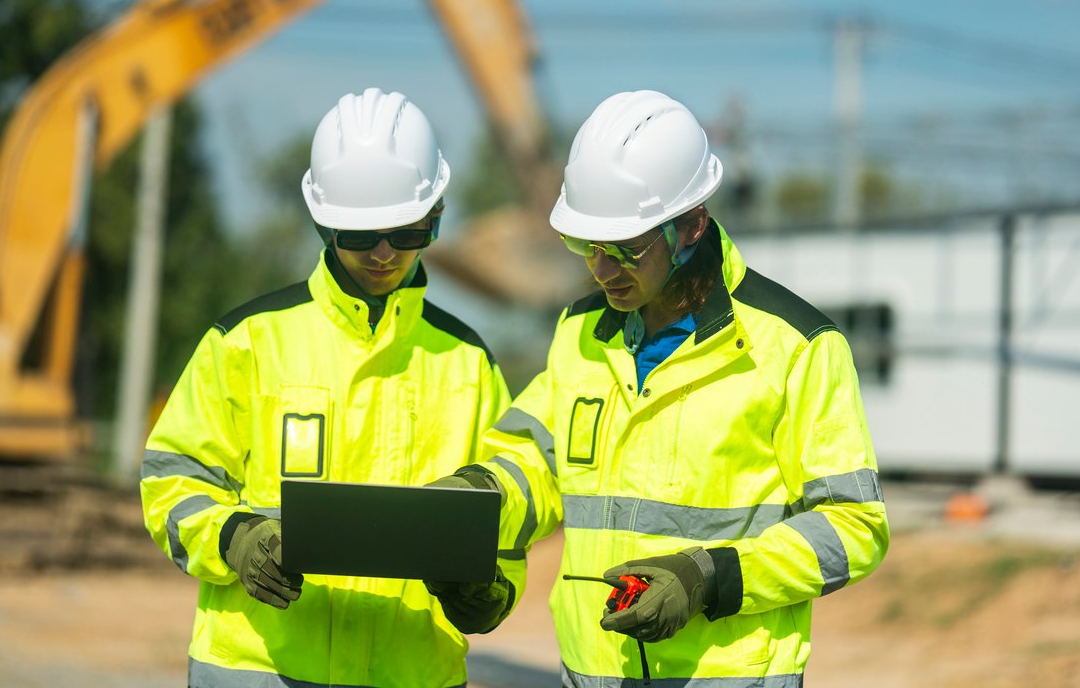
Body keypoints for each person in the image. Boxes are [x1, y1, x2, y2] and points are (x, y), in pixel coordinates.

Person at [440, 90, 890, 685]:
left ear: (691, 226)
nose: (601, 270)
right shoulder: (581, 333)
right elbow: (536, 464)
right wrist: (466, 502)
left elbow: (854, 526)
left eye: (624, 250)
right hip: (590, 672)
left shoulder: (795, 346)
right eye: (585, 247)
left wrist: (709, 577)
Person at [140, 88, 518, 688]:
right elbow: (171, 481)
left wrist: (492, 590)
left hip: (409, 675)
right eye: (360, 235)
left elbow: (508, 513)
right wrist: (238, 540)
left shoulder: (469, 364)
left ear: (436, 216)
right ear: (323, 223)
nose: (385, 253)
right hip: (258, 670)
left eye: (406, 230)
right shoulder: (246, 342)